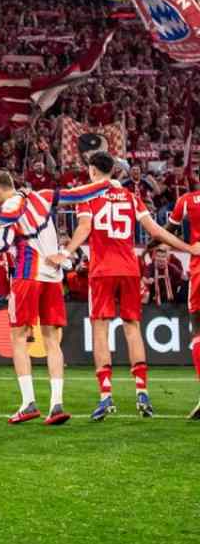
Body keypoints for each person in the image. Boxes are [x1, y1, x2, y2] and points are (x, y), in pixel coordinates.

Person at [0, 171, 108, 424]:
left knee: (19, 337)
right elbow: (77, 193)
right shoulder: (42, 196)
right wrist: (105, 183)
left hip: (28, 274)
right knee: (52, 340)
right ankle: (56, 405)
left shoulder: (10, 207)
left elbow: (0, 242)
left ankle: (28, 403)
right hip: (54, 277)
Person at [58, 151, 200, 420]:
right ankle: (142, 393)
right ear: (114, 171)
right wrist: (189, 249)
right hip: (129, 269)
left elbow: (85, 229)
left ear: (92, 171)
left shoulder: (88, 196)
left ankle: (106, 396)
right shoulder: (131, 197)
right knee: (133, 328)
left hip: (102, 271)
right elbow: (156, 231)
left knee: (100, 329)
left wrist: (66, 253)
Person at [166, 183, 200, 419]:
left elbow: (167, 231)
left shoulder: (187, 200)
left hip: (199, 268)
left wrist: (150, 245)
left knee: (198, 329)